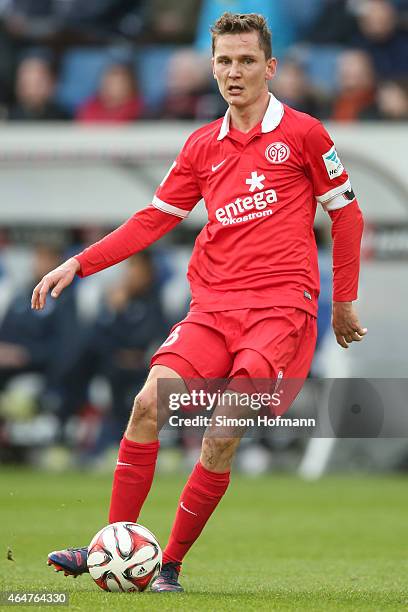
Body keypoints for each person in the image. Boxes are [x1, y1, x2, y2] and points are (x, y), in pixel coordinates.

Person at [32, 12, 366, 593]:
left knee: (219, 433)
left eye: (246, 60)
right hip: (212, 309)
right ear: (211, 67)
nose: (234, 73)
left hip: (280, 311)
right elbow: (153, 220)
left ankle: (170, 566)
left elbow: (347, 212)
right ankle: (113, 546)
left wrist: (344, 301)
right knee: (144, 407)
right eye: (224, 61)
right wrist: (79, 262)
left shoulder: (305, 135)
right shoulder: (200, 145)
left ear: (271, 66)